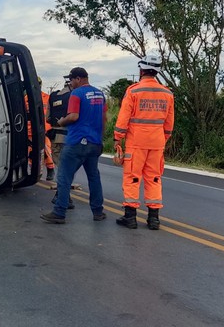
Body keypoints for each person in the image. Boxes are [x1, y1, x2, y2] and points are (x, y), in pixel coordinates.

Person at [114, 55, 175, 230]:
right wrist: (163, 138)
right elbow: (169, 124)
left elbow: (123, 117)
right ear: (156, 72)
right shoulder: (167, 93)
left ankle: (130, 217)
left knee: (133, 177)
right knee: (154, 178)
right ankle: (154, 219)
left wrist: (118, 137)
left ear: (141, 70)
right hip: (157, 143)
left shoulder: (134, 91)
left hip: (136, 142)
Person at [40, 67, 107, 224]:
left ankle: (59, 212)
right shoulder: (100, 94)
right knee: (94, 177)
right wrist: (100, 139)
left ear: (78, 79)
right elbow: (104, 118)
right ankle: (98, 212)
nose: (71, 83)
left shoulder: (76, 94)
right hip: (94, 142)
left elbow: (74, 116)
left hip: (76, 142)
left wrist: (62, 121)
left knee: (64, 176)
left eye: (71, 80)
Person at [46, 78, 75, 209]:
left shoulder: (53, 96)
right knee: (68, 168)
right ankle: (63, 195)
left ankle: (62, 194)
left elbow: (48, 118)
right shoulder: (74, 97)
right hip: (70, 137)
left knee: (61, 167)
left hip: (56, 137)